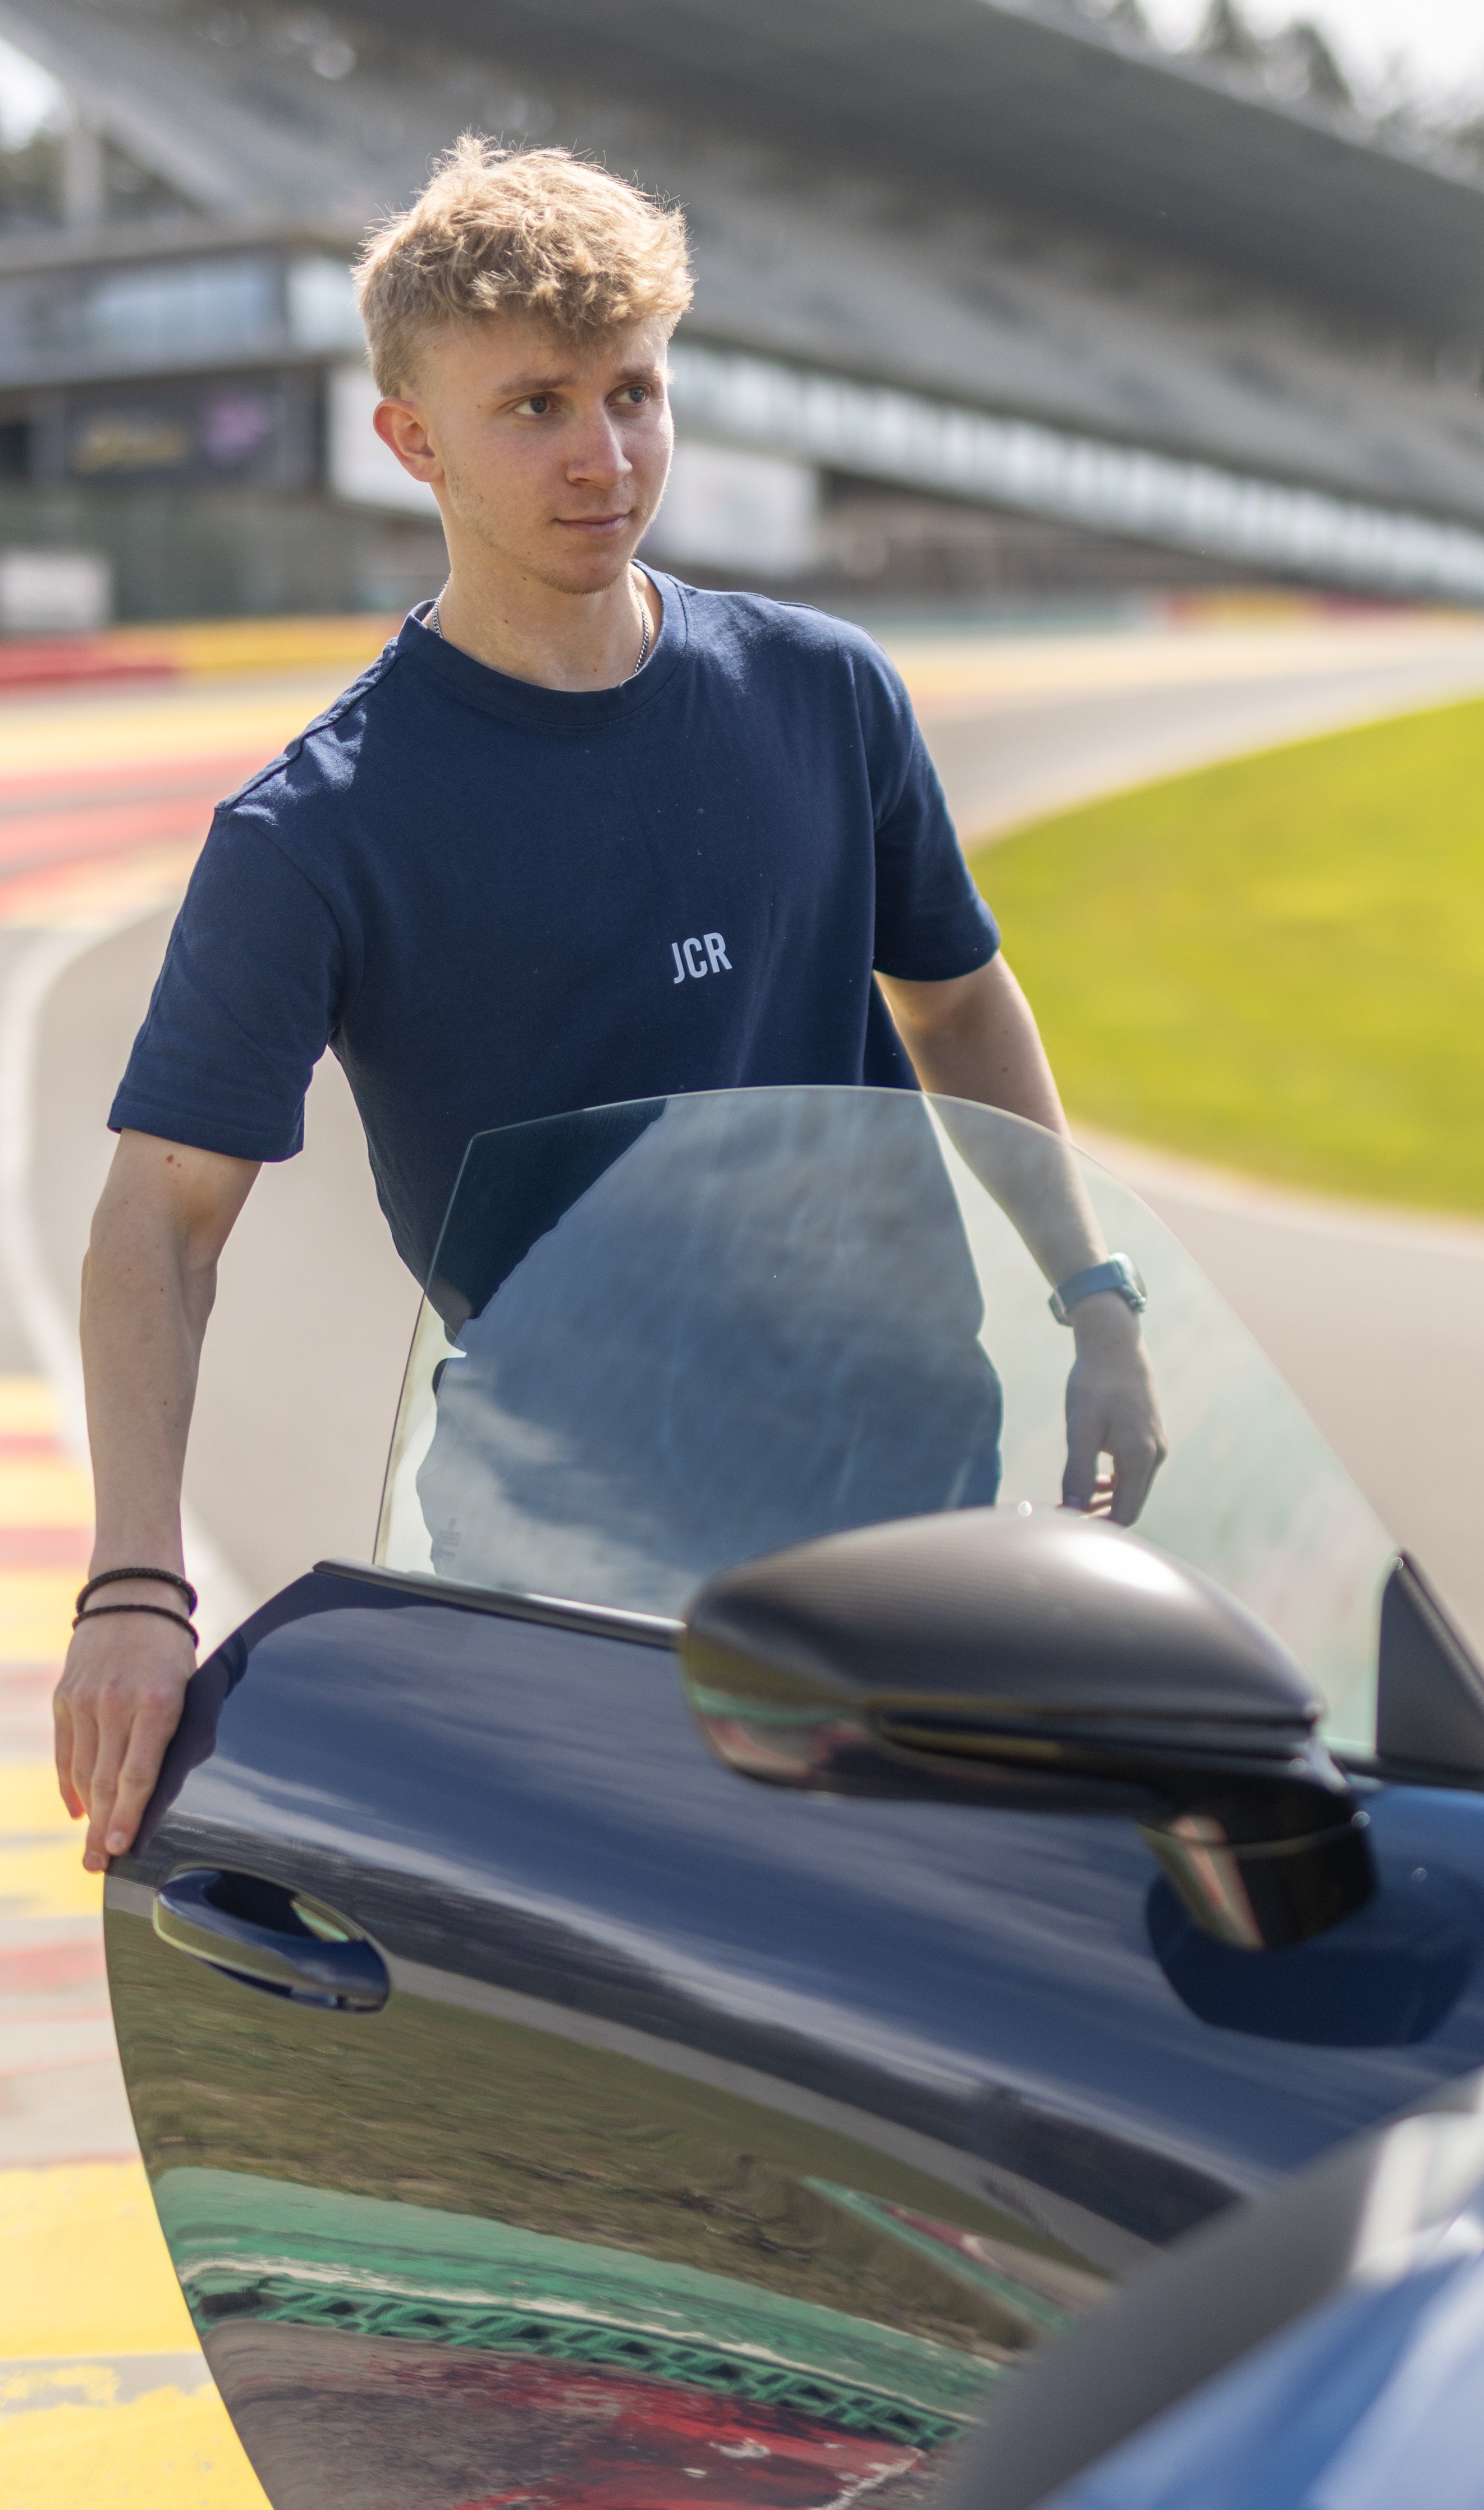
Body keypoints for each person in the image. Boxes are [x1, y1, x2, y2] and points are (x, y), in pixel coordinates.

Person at [53, 136, 1164, 1876]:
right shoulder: (316, 830)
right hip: (573, 1566)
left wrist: (1093, 1301)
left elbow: (955, 1007)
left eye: (635, 394)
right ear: (410, 440)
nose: (606, 455)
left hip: (913, 1492)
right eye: (538, 408)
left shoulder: (825, 692)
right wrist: (135, 1581)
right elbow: (160, 1220)